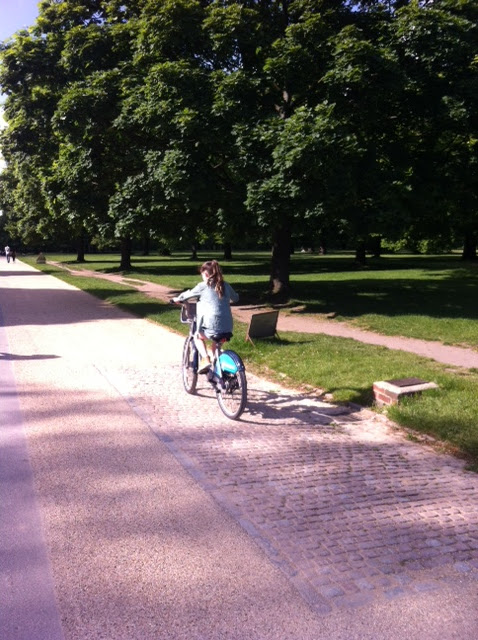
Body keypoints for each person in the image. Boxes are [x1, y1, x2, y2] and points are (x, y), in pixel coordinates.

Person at [173, 260, 239, 373]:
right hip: (227, 326)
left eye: (202, 275)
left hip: (212, 326)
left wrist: (177, 299)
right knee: (216, 346)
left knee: (197, 336)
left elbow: (187, 295)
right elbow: (236, 298)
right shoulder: (226, 285)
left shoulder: (203, 286)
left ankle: (205, 359)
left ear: (206, 274)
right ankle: (219, 369)